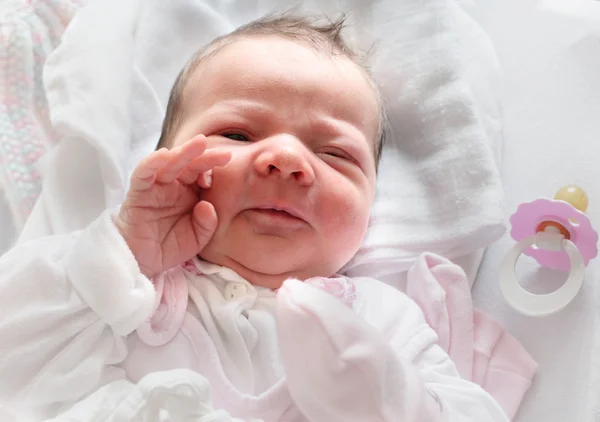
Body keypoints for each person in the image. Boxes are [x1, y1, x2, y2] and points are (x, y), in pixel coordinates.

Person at [0, 14, 508, 422]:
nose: (286, 158)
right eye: (238, 135)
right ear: (165, 163)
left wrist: (384, 398)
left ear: (372, 207)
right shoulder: (127, 281)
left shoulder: (382, 316)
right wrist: (122, 253)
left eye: (334, 154)